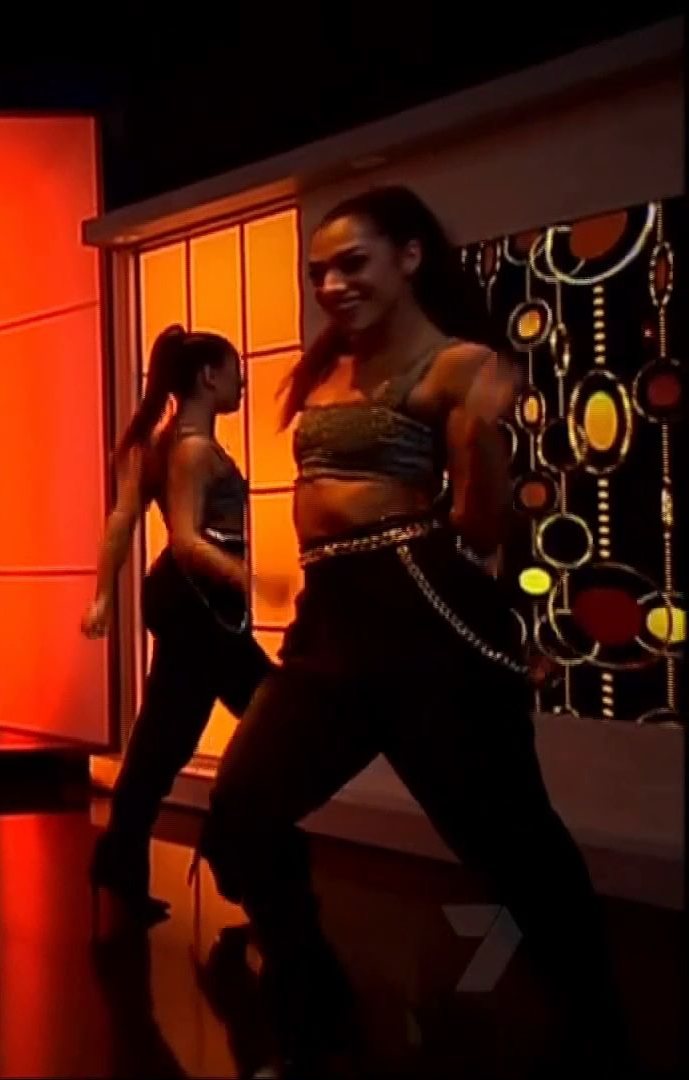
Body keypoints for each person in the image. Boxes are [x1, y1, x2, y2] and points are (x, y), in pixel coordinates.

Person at [196, 186, 626, 1071]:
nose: (332, 285)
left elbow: (480, 526)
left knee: (513, 843)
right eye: (319, 272)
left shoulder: (460, 366)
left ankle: (596, 1024)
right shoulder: (328, 367)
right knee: (240, 808)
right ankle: (314, 996)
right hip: (332, 622)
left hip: (423, 614)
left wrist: (479, 441)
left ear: (410, 257)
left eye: (352, 264)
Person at [81, 326, 280, 929]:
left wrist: (104, 596)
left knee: (163, 742)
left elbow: (122, 521)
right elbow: (187, 541)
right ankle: (225, 838)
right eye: (235, 371)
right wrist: (249, 577)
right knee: (276, 714)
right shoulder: (191, 451)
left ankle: (123, 860)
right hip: (197, 603)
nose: (242, 382)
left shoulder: (165, 445)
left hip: (187, 602)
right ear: (208, 377)